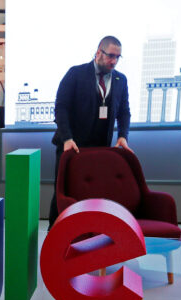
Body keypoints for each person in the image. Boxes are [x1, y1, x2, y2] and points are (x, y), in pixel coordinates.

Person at [49, 36, 132, 226]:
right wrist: (67, 138)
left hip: (99, 148)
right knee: (63, 193)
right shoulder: (76, 74)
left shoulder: (120, 79)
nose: (114, 61)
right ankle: (55, 234)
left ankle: (88, 235)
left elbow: (124, 112)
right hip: (71, 146)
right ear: (98, 52)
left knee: (92, 195)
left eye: (118, 57)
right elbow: (61, 108)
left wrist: (122, 136)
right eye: (110, 56)